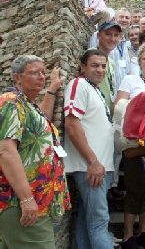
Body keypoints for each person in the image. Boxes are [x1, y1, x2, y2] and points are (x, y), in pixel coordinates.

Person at [0, 56, 70, 249]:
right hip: (22, 202)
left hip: (34, 202)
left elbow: (42, 121)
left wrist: (52, 88)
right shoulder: (11, 103)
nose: (41, 77)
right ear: (17, 77)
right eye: (34, 73)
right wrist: (27, 199)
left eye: (43, 72)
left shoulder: (27, 104)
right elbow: (5, 150)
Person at [64, 49, 115, 249]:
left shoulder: (95, 89)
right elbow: (71, 124)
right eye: (95, 65)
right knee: (99, 223)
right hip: (91, 169)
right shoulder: (79, 84)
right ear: (82, 67)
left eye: (103, 66)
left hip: (99, 167)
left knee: (86, 223)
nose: (100, 70)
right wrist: (93, 162)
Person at [113, 43, 145, 249]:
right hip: (134, 140)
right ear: (139, 62)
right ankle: (127, 235)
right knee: (135, 188)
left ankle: (143, 232)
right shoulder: (130, 80)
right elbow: (118, 106)